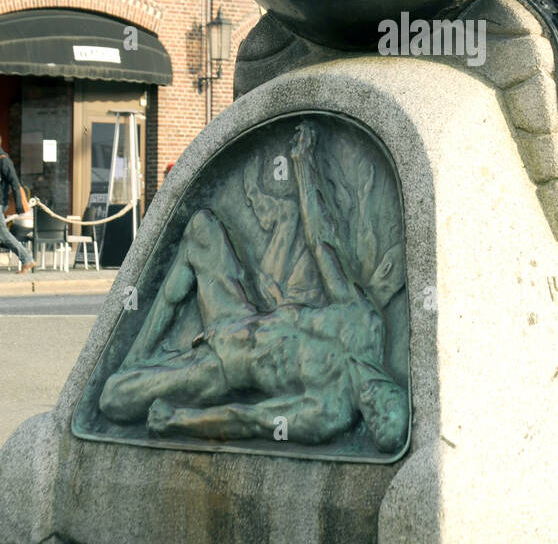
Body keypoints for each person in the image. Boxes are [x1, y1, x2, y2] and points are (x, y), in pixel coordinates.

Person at [99, 122, 409, 455]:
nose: (376, 408)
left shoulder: (329, 412)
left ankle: (142, 372)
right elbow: (323, 244)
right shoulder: (365, 324)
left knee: (114, 399)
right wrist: (304, 165)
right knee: (202, 229)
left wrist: (178, 420)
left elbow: (251, 420)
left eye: (376, 422)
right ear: (396, 394)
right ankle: (139, 355)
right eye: (388, 410)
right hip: (237, 315)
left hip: (222, 367)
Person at [0, 140, 35, 273]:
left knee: (3, 235)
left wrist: (19, 205)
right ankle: (27, 259)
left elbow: (15, 183)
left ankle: (27, 259)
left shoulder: (3, 160)